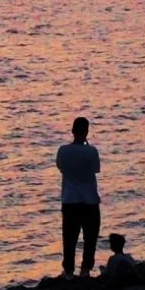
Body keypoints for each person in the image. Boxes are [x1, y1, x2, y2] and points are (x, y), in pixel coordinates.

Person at [56, 117, 101, 277]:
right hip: (90, 201)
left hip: (70, 200)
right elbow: (96, 168)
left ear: (72, 131)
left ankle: (68, 270)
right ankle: (85, 269)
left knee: (69, 238)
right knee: (90, 238)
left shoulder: (63, 150)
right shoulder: (91, 151)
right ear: (86, 131)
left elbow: (61, 168)